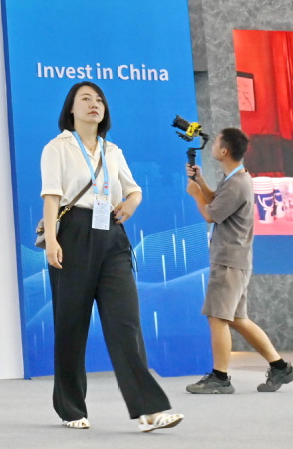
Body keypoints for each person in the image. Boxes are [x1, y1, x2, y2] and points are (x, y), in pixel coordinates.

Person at [41, 82, 183, 432]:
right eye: (85, 99)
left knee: (126, 324)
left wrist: (131, 203)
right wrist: (52, 240)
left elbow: (134, 190)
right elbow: (51, 196)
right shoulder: (57, 147)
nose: (94, 104)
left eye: (99, 100)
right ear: (71, 109)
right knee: (71, 325)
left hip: (113, 238)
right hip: (72, 234)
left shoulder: (113, 150)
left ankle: (149, 410)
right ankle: (70, 408)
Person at [184, 127, 292, 394]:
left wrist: (196, 194)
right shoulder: (236, 178)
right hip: (236, 260)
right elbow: (218, 203)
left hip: (229, 261)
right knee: (236, 318)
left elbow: (211, 214)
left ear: (224, 151)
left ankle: (220, 378)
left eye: (216, 143)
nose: (212, 145)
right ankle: (280, 367)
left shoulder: (236, 183)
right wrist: (202, 183)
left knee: (217, 317)